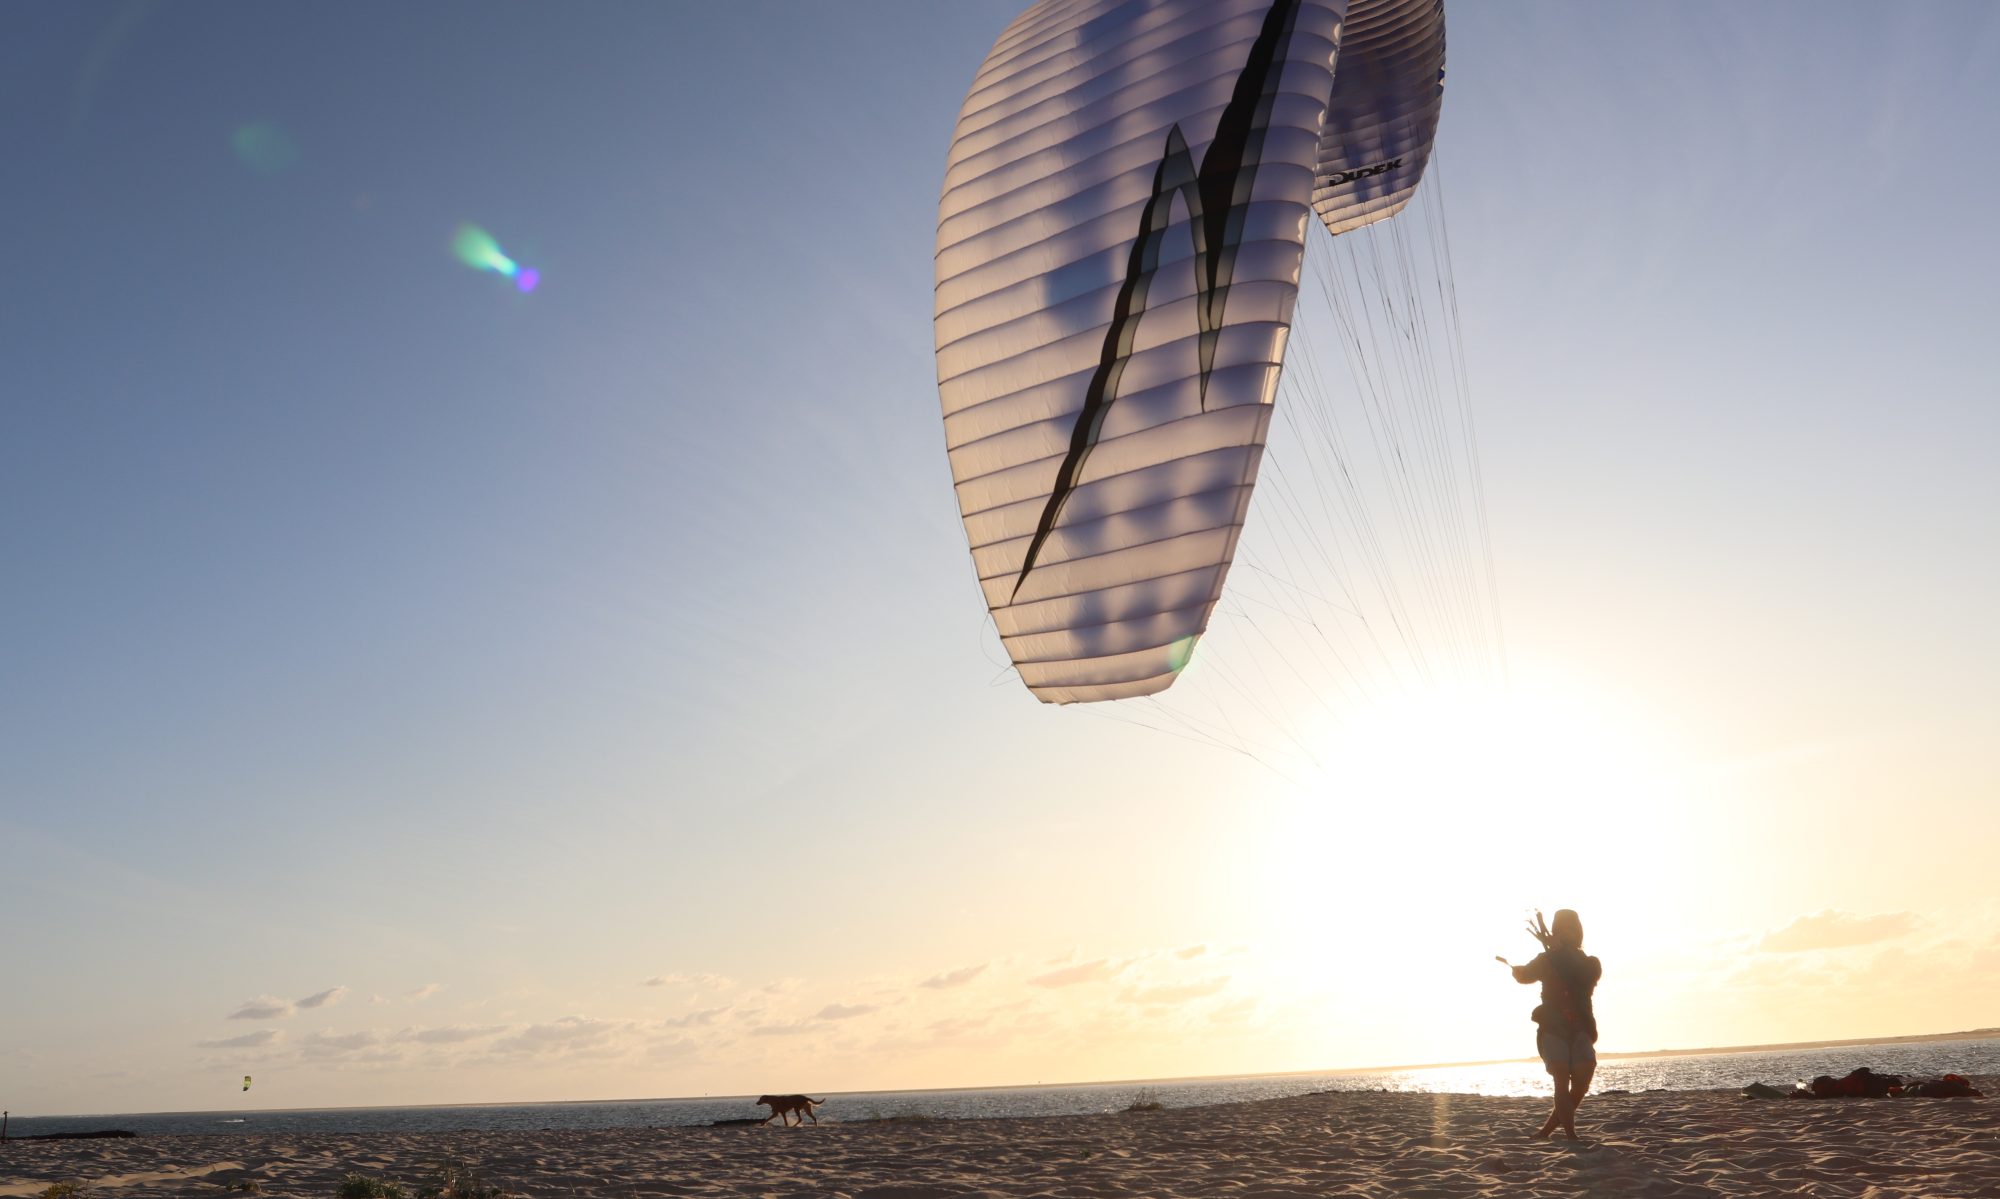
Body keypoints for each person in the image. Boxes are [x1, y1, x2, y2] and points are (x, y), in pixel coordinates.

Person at [1511, 908, 1601, 1141]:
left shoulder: (1590, 963)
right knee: (1561, 1080)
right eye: (1561, 928)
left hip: (1581, 1029)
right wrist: (1518, 971)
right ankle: (1571, 1135)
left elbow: (1580, 974)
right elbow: (1526, 975)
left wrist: (1559, 952)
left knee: (1581, 1082)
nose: (1566, 932)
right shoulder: (1546, 959)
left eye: (1571, 928)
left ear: (1578, 933)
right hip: (1553, 1028)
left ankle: (1545, 1132)